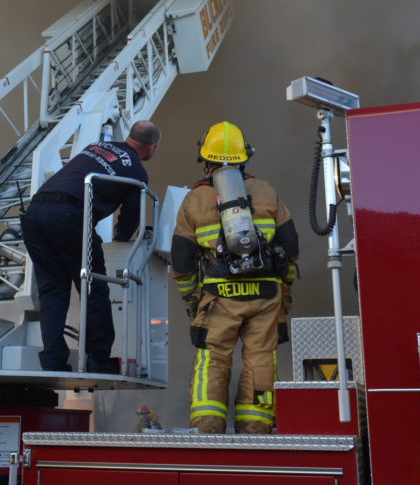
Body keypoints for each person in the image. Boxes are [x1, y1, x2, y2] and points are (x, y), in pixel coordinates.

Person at [170, 121, 298, 433]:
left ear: (206, 159)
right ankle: (256, 429)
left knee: (212, 361)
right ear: (245, 156)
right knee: (261, 360)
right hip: (266, 295)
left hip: (219, 297)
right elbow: (291, 248)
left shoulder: (194, 200)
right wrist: (284, 293)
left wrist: (193, 302)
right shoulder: (267, 192)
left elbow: (182, 263)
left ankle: (207, 428)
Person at [21, 120, 161, 373]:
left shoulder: (96, 146)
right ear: (152, 146)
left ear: (130, 136)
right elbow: (130, 219)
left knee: (52, 290)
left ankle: (53, 360)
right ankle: (98, 360)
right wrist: (121, 238)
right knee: (93, 286)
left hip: (35, 213)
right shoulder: (136, 172)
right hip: (69, 216)